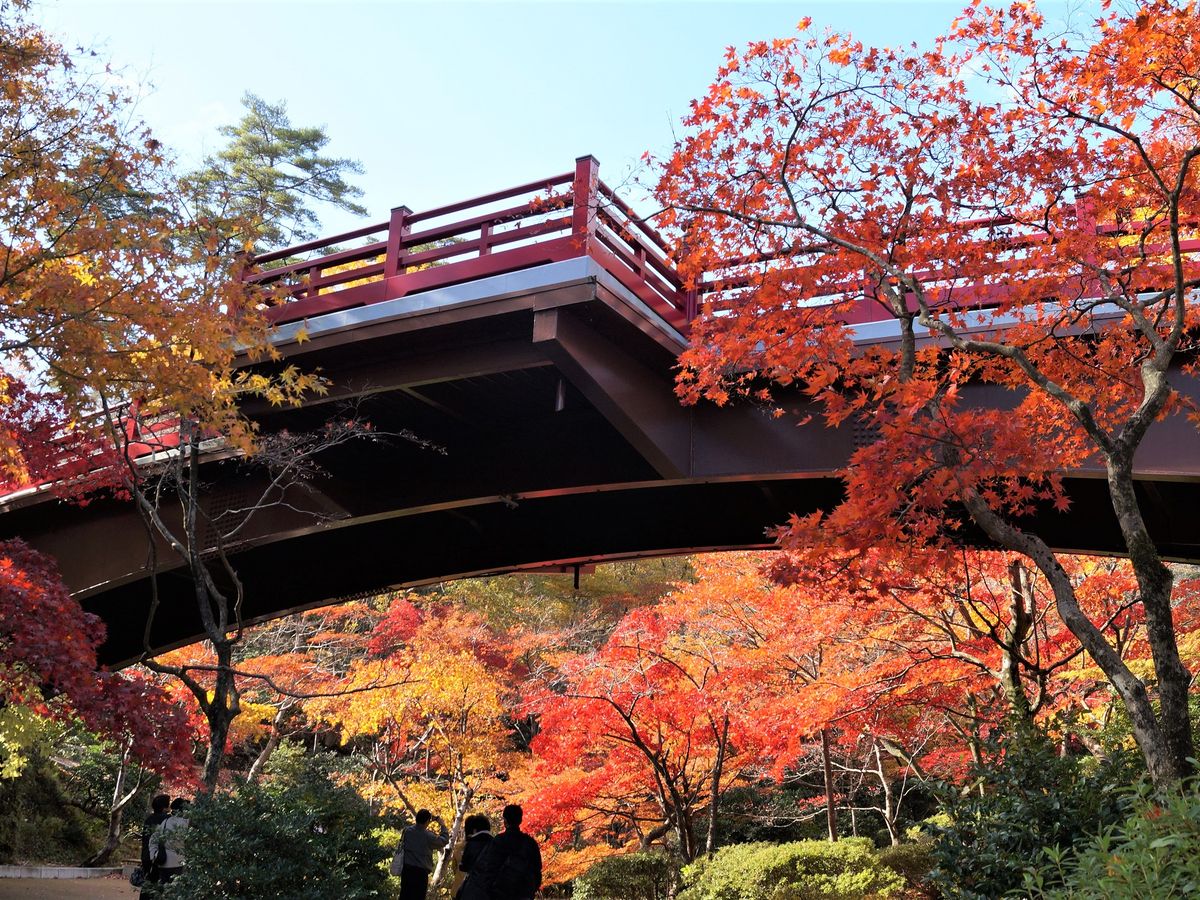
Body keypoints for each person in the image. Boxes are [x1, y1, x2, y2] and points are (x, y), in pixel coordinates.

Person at [473, 804, 541, 900]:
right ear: (520, 820)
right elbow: (537, 869)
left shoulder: (497, 841)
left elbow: (489, 868)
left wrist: (488, 890)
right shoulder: (529, 842)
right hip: (524, 892)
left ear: (505, 820)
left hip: (500, 893)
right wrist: (532, 889)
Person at [397, 808, 449, 900]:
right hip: (420, 873)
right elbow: (444, 841)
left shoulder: (407, 831)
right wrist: (442, 824)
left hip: (407, 870)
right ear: (427, 821)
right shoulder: (428, 836)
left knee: (404, 896)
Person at [149, 797, 189, 885]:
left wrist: (154, 855)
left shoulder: (166, 822)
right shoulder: (186, 823)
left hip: (163, 861)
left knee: (163, 889)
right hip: (179, 862)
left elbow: (153, 839)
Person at [454, 814, 493, 900]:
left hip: (473, 888)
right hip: (490, 888)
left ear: (475, 830)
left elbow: (463, 867)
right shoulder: (496, 842)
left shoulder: (471, 843)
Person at [139, 794, 171, 896]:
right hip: (160, 856)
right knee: (159, 886)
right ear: (165, 806)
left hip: (146, 856)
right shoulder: (167, 819)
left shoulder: (148, 819)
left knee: (147, 883)